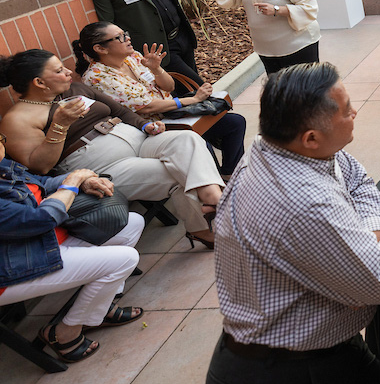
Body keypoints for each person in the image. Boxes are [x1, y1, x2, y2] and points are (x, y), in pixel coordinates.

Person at [205, 63, 380, 384]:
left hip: (324, 351)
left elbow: (359, 183)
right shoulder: (303, 203)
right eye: (346, 110)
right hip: (284, 382)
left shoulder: (283, 147)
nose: (355, 113)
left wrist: (370, 239)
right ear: (311, 137)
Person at [0, 49, 224, 249]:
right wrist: (60, 125)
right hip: (100, 163)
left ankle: (213, 198)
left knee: (187, 139)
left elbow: (119, 110)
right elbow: (40, 167)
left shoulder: (74, 88)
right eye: (59, 70)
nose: (68, 72)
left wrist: (144, 125)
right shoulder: (18, 119)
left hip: (136, 138)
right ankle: (205, 223)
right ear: (39, 82)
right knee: (178, 172)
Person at [0, 144, 145, 365]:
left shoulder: (2, 166)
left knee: (132, 224)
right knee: (126, 259)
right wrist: (71, 184)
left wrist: (82, 181)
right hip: (14, 266)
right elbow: (41, 220)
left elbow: (41, 183)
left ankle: (98, 307)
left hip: (41, 242)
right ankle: (65, 333)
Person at [74, 21, 248, 172]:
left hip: (176, 113)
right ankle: (216, 185)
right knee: (199, 141)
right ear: (100, 48)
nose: (127, 38)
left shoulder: (133, 57)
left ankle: (230, 173)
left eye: (125, 34)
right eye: (119, 37)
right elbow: (147, 107)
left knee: (235, 123)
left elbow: (169, 86)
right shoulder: (97, 77)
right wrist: (194, 100)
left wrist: (156, 69)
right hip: (153, 127)